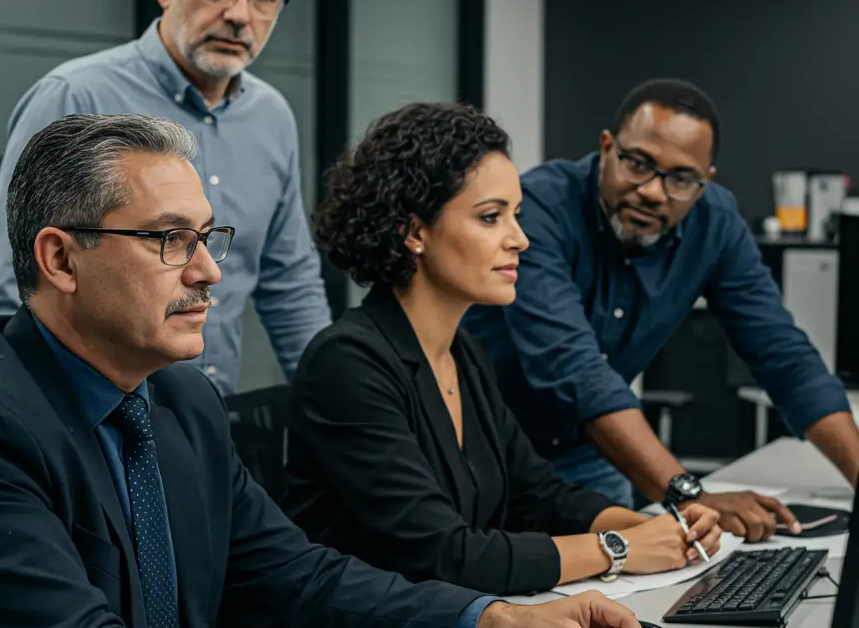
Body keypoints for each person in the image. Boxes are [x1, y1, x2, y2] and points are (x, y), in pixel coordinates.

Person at [0, 112, 652, 628]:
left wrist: (494, 620)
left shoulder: (181, 399)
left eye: (206, 238)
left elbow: (300, 579)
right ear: (61, 261)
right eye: (170, 240)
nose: (208, 270)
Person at [282, 103, 720, 595]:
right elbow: (444, 554)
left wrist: (655, 527)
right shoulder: (347, 364)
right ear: (414, 231)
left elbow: (537, 494)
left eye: (517, 216)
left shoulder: (461, 354)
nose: (520, 240)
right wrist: (618, 549)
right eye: (491, 218)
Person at [465, 79, 859, 540]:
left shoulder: (715, 223)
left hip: (588, 454)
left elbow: (784, 356)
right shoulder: (539, 208)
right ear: (608, 147)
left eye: (680, 178)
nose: (653, 191)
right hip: (482, 450)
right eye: (639, 164)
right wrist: (690, 496)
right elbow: (573, 370)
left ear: (704, 180)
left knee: (633, 593)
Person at [0, 0, 330, 391]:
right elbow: (14, 296)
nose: (238, 13)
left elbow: (291, 285)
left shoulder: (272, 116)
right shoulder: (75, 96)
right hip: (97, 429)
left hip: (214, 424)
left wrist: (338, 417)